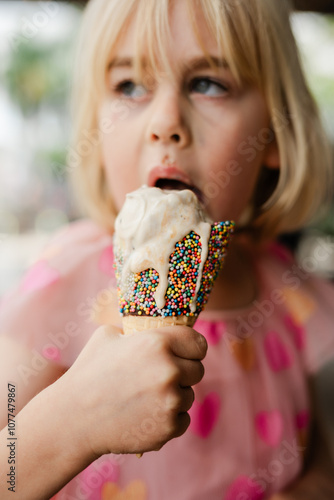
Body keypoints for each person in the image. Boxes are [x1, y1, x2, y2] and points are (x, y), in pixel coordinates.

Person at [0, 0, 334, 498]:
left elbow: (323, 470)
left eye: (209, 84)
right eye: (129, 86)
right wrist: (70, 422)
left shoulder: (290, 296)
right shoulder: (61, 284)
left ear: (273, 136)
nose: (165, 122)